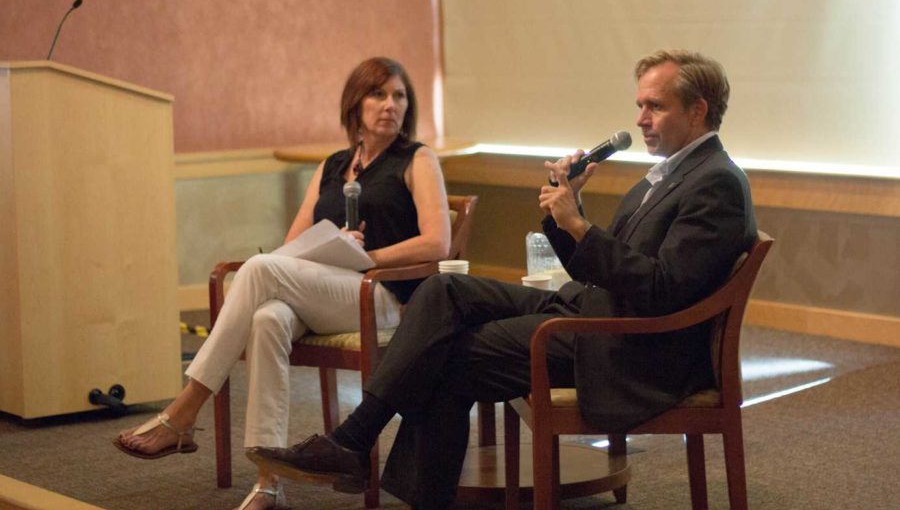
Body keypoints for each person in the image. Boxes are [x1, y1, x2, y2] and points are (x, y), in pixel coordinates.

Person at [246, 50, 758, 508]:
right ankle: (354, 445)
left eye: (655, 107)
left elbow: (663, 288)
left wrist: (578, 224)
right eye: (640, 105)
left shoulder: (716, 182)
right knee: (444, 290)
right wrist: (568, 211)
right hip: (590, 311)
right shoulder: (673, 173)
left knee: (449, 353)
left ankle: (355, 444)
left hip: (629, 348)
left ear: (698, 111)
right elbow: (601, 265)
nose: (640, 119)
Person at [114, 57, 451, 510]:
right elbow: (292, 245)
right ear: (355, 103)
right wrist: (330, 245)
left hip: (383, 295)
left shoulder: (417, 159)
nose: (389, 105)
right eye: (378, 94)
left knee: (259, 269)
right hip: (326, 289)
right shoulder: (333, 165)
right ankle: (269, 484)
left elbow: (437, 242)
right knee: (268, 318)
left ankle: (186, 407)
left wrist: (363, 257)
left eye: (399, 96)